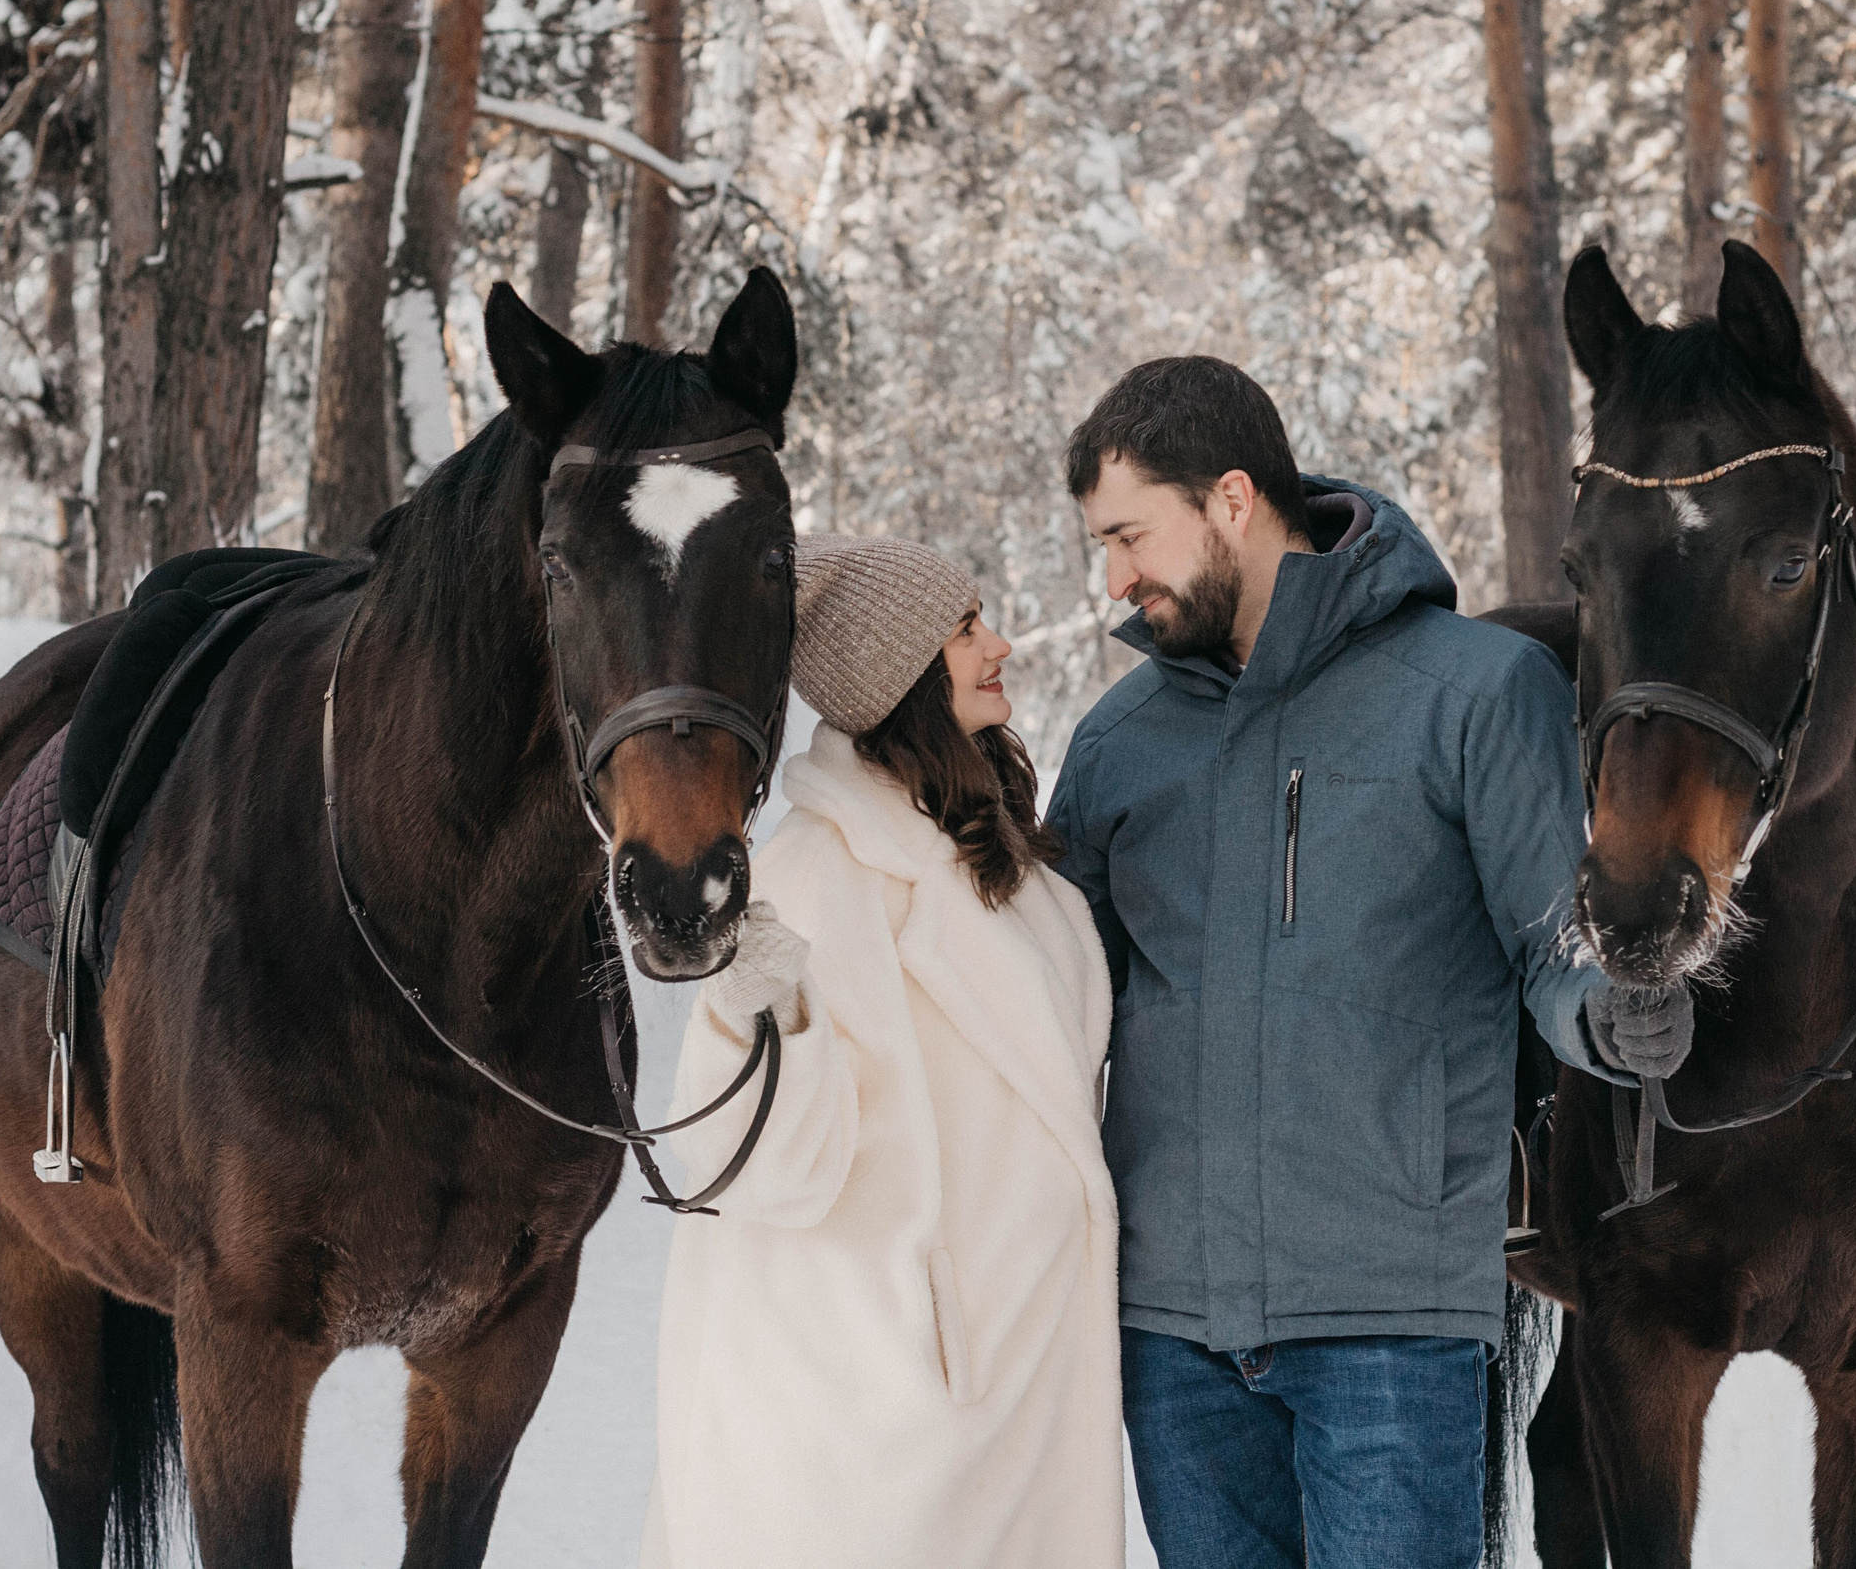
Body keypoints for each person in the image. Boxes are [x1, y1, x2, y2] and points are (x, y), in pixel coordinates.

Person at [1047, 357, 1677, 1569]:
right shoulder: (1117, 744)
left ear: (1231, 499)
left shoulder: (1472, 692)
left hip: (1390, 1312)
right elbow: (1046, 999)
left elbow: (1553, 942)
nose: (1113, 580)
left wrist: (1607, 1011)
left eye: (1128, 535)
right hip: (1172, 1327)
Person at [640, 535, 1125, 1569]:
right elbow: (764, 1169)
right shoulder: (818, 874)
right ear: (897, 677)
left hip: (1006, 1404)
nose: (997, 644)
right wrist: (755, 1008)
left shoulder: (986, 845)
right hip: (883, 1431)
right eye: (962, 632)